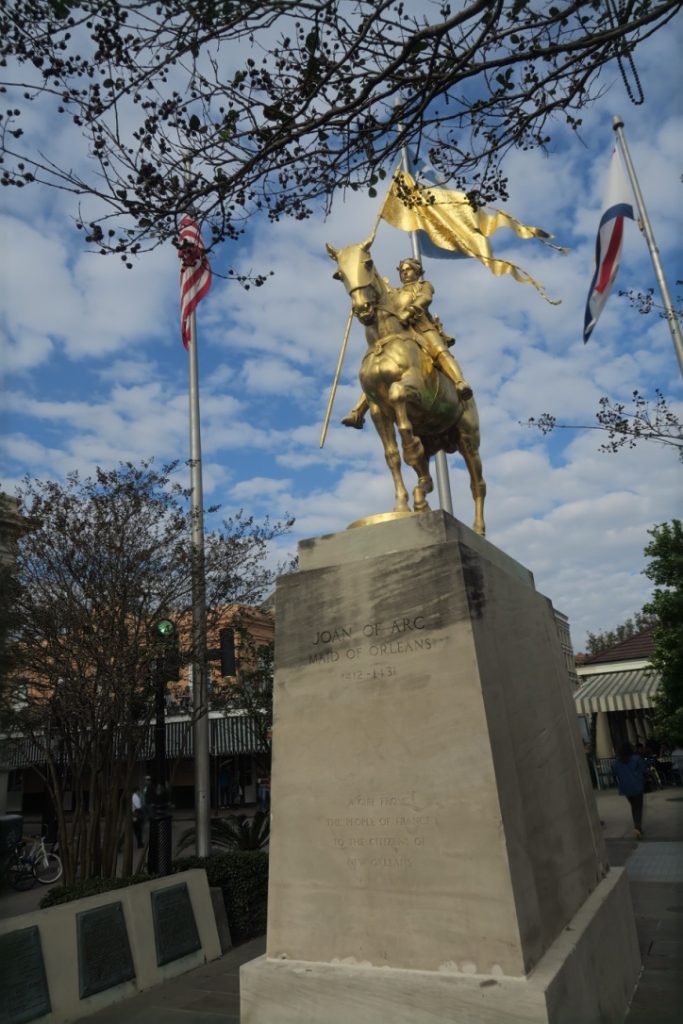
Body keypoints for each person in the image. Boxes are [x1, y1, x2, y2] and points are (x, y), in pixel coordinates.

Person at [342, 257, 472, 428]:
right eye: (402, 270)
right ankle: (358, 411)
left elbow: (425, 299)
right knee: (379, 367)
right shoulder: (394, 292)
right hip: (399, 332)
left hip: (421, 328)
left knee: (440, 351)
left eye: (408, 269)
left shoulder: (424, 285)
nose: (405, 273)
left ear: (417, 272)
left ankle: (459, 382)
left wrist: (410, 311)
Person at [613, 742, 647, 839]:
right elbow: (644, 770)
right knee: (638, 807)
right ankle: (637, 827)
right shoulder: (636, 758)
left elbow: (614, 772)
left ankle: (637, 826)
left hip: (625, 788)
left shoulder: (618, 761)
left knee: (634, 806)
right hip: (637, 786)